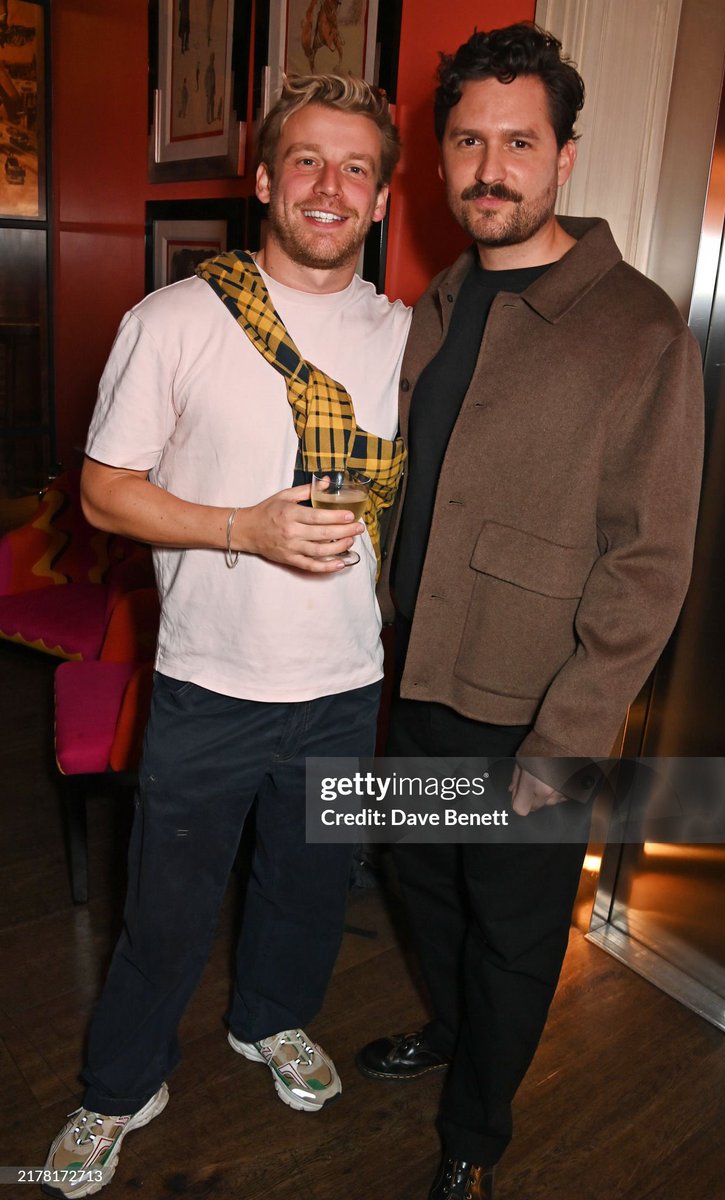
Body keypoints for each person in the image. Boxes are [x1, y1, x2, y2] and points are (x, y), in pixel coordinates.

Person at [42, 74, 410, 1199]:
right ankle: (119, 1086)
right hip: (209, 678)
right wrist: (240, 527)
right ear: (262, 179)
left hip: (347, 678)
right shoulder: (175, 319)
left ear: (385, 197)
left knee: (308, 884)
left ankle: (272, 1022)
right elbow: (104, 493)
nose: (330, 187)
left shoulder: (409, 337)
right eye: (306, 161)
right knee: (165, 904)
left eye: (356, 167)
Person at [356, 21, 705, 1200]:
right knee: (421, 881)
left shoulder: (640, 331)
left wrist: (566, 746)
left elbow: (650, 565)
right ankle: (451, 1031)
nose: (488, 167)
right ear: (440, 154)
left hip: (538, 710)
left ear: (564, 156)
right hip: (424, 682)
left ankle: (475, 1138)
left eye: (518, 140)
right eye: (466, 140)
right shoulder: (439, 303)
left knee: (513, 933)